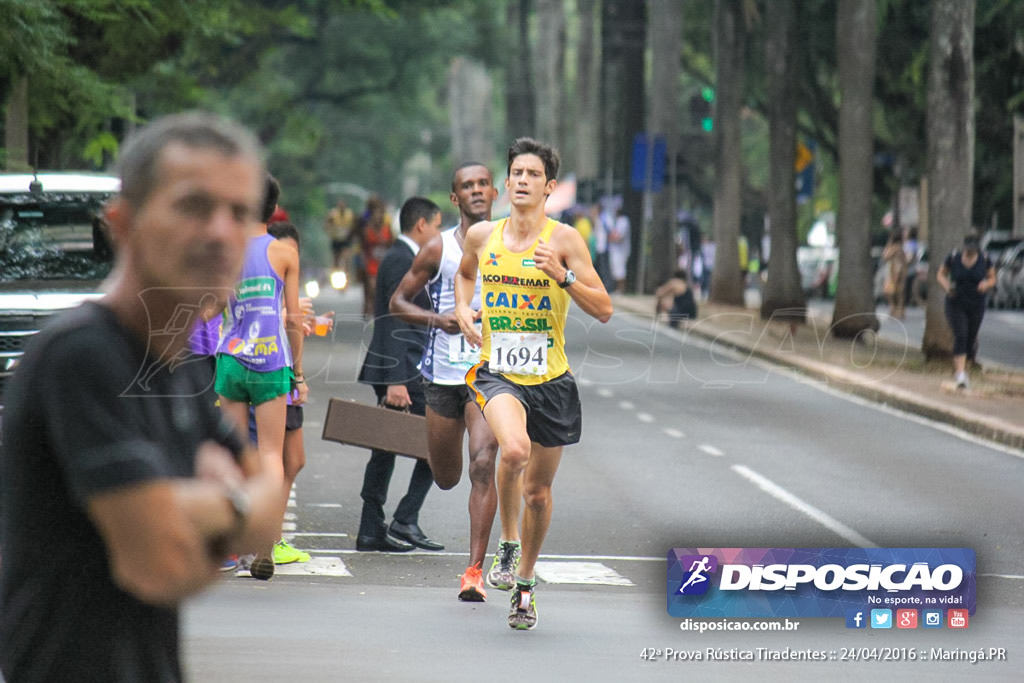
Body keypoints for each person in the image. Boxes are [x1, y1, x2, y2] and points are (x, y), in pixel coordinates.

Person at [0, 112, 282, 681]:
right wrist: (230, 507)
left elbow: (269, 514)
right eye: (193, 207)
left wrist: (188, 512)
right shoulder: (81, 355)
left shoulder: (171, 364)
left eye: (241, 213)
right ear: (121, 223)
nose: (221, 233)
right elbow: (157, 566)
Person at [455, 137, 613, 630]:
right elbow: (464, 276)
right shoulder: (483, 236)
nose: (522, 180)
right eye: (516, 173)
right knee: (514, 452)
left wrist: (563, 278)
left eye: (532, 174)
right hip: (498, 371)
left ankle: (524, 585)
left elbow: (604, 308)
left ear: (549, 187)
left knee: (539, 494)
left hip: (551, 380)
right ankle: (507, 544)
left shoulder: (564, 240)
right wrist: (463, 310)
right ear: (507, 184)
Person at [390, 163, 501, 601]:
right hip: (441, 376)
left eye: (481, 184)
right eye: (466, 187)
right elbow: (397, 301)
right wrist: (440, 318)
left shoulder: (513, 246)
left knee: (482, 462)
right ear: (455, 199)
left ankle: (473, 571)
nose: (475, 191)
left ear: (494, 192)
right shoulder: (438, 248)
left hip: (489, 374)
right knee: (447, 475)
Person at [214, 174, 308, 580]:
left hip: (230, 362)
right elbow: (293, 319)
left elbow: (207, 309)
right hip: (271, 362)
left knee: (237, 455)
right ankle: (265, 545)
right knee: (272, 455)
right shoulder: (285, 253)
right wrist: (299, 375)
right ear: (273, 209)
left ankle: (235, 544)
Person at [355, 197, 444, 553]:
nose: (438, 236)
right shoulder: (400, 260)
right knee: (439, 444)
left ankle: (377, 525)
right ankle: (397, 520)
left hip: (407, 367)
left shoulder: (404, 258)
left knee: (388, 447)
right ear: (421, 225)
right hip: (402, 369)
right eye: (437, 226)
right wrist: (394, 379)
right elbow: (391, 320)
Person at [937, 233, 996, 389]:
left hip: (976, 303)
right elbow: (941, 274)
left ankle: (964, 364)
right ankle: (960, 374)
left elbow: (992, 278)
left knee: (970, 337)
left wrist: (986, 285)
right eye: (968, 248)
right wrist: (947, 287)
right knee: (961, 334)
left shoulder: (985, 259)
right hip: (956, 302)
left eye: (973, 249)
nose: (970, 252)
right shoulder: (954, 257)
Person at [358, 195, 393, 319]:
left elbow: (392, 243)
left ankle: (381, 309)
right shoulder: (365, 223)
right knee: (370, 287)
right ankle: (368, 307)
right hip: (370, 262)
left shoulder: (387, 225)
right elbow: (362, 244)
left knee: (383, 288)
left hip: (384, 262)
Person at [882, 231, 909, 320]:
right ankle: (899, 311)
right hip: (900, 270)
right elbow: (905, 261)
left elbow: (885, 256)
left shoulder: (894, 248)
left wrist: (888, 244)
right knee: (899, 292)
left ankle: (895, 309)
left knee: (892, 292)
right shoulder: (901, 248)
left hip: (894, 271)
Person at [324, 199, 356, 269]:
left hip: (346, 240)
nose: (341, 208)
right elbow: (327, 225)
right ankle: (335, 271)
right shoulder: (333, 214)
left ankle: (346, 272)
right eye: (340, 206)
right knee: (336, 257)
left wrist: (351, 234)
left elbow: (354, 226)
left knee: (346, 256)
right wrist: (330, 230)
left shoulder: (350, 214)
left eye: (343, 206)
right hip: (336, 239)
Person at [607, 205, 631, 293]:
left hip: (621, 251)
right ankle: (617, 289)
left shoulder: (624, 221)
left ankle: (621, 289)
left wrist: (611, 238)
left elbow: (619, 237)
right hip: (615, 250)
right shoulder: (617, 220)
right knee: (615, 270)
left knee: (620, 271)